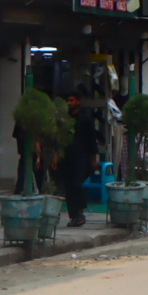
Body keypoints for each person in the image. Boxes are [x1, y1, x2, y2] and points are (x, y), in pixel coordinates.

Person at [60, 93, 99, 227]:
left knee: (77, 184)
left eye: (72, 100)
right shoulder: (65, 119)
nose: (69, 103)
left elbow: (92, 139)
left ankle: (80, 213)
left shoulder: (85, 119)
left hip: (82, 157)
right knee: (69, 187)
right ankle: (74, 216)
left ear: (78, 102)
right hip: (67, 157)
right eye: (68, 100)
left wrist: (93, 160)